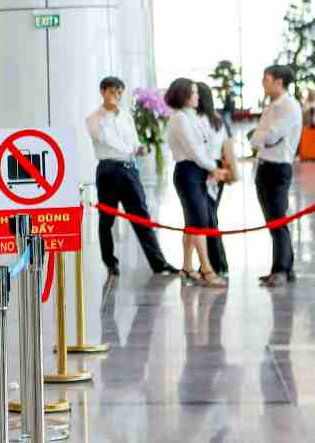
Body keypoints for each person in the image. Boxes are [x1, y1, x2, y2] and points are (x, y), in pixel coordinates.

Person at [86, 76, 174, 276]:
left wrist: (137, 149)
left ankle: (159, 263)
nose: (115, 95)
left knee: (141, 216)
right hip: (108, 169)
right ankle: (110, 262)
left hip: (128, 169)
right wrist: (131, 149)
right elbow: (105, 140)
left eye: (119, 92)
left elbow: (133, 141)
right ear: (103, 91)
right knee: (107, 218)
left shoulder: (125, 116)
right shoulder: (94, 118)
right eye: (111, 91)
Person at [246, 65, 303, 286]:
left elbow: (270, 136)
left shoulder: (289, 106)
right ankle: (281, 268)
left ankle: (282, 269)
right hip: (264, 165)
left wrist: (257, 137)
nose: (263, 82)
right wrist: (258, 137)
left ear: (279, 82)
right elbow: (259, 134)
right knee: (272, 221)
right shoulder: (272, 106)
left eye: (266, 78)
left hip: (278, 168)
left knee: (278, 219)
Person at [166, 77, 225, 288]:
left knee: (192, 222)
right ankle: (207, 270)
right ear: (183, 95)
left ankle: (187, 267)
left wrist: (210, 168)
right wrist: (214, 168)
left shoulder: (190, 116)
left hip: (197, 172)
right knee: (199, 221)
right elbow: (194, 150)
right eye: (193, 92)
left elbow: (204, 145)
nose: (197, 96)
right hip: (188, 172)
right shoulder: (179, 118)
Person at [196, 82, 232, 280]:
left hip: (209, 170)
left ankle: (215, 265)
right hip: (216, 167)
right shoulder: (217, 118)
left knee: (208, 217)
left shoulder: (201, 119)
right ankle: (216, 263)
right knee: (210, 216)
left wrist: (213, 170)